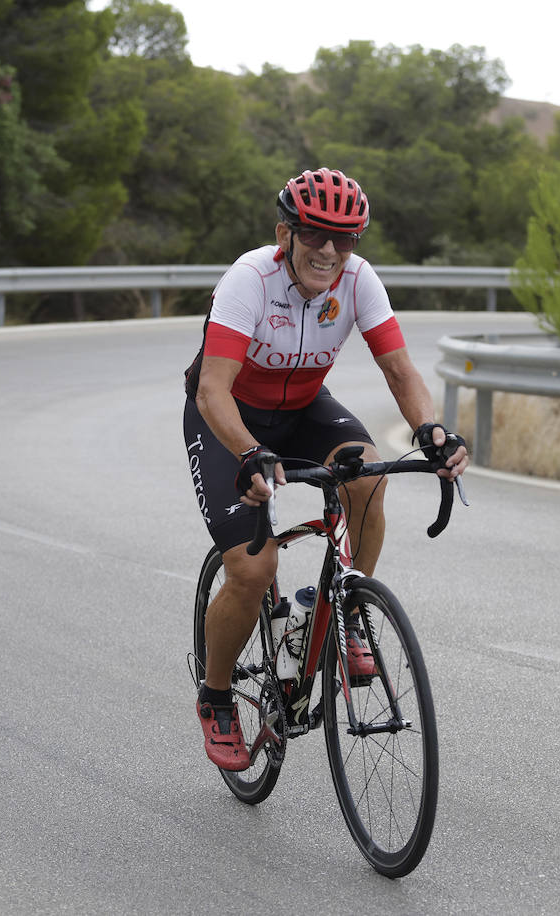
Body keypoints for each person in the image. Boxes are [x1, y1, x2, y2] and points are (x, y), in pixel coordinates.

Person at [182, 167, 468, 771]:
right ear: (285, 233)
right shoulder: (249, 280)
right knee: (254, 569)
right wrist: (249, 453)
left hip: (305, 406)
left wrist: (432, 433)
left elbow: (400, 371)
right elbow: (213, 390)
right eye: (316, 233)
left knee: (367, 473)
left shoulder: (359, 280)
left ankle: (345, 609)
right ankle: (216, 697)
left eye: (347, 237)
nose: (331, 250)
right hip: (229, 416)